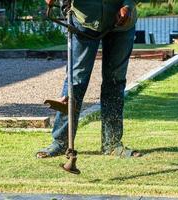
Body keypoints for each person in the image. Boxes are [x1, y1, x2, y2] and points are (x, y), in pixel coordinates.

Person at [37, 0, 142, 158]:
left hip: (122, 23)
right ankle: (60, 142)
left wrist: (128, 5)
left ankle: (112, 144)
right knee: (76, 81)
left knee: (115, 81)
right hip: (84, 19)